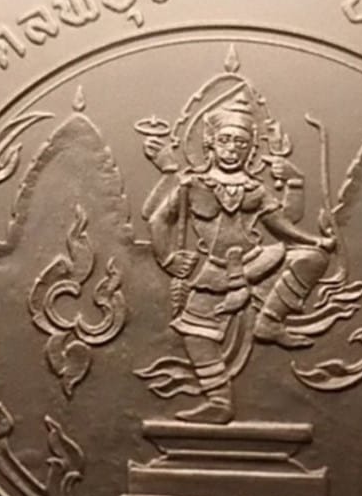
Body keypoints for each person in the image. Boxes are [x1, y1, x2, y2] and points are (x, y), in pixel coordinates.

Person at [141, 92, 335, 423]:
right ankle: (219, 402)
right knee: (195, 335)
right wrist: (168, 259)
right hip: (214, 270)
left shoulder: (254, 189)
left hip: (256, 262)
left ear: (251, 149)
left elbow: (282, 224)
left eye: (241, 143)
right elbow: (158, 219)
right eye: (226, 140)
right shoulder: (192, 185)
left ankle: (270, 321)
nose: (232, 149)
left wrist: (314, 238)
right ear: (210, 143)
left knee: (314, 258)